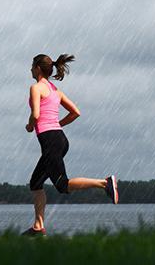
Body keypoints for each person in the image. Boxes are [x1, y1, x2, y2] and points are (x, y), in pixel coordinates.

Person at [21, 53, 118, 237]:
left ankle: (105, 183)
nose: (30, 70)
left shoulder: (36, 88)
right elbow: (76, 112)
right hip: (59, 139)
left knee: (63, 185)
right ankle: (38, 226)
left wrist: (30, 125)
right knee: (35, 183)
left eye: (32, 66)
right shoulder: (56, 91)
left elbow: (35, 114)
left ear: (38, 69)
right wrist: (58, 124)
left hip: (51, 142)